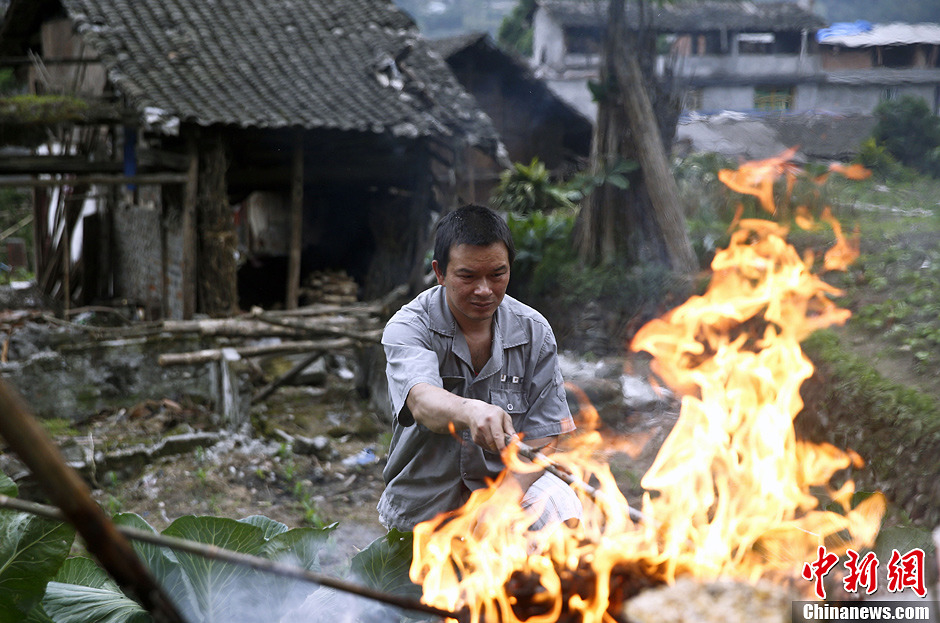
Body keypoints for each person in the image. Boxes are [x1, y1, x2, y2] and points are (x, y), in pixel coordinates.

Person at [377, 204, 582, 532]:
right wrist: (469, 411)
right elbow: (422, 402)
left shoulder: (534, 332)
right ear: (440, 272)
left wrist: (501, 502)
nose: (485, 290)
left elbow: (544, 435)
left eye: (497, 274)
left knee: (559, 500)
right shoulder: (409, 326)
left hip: (502, 493)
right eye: (468, 276)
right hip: (423, 510)